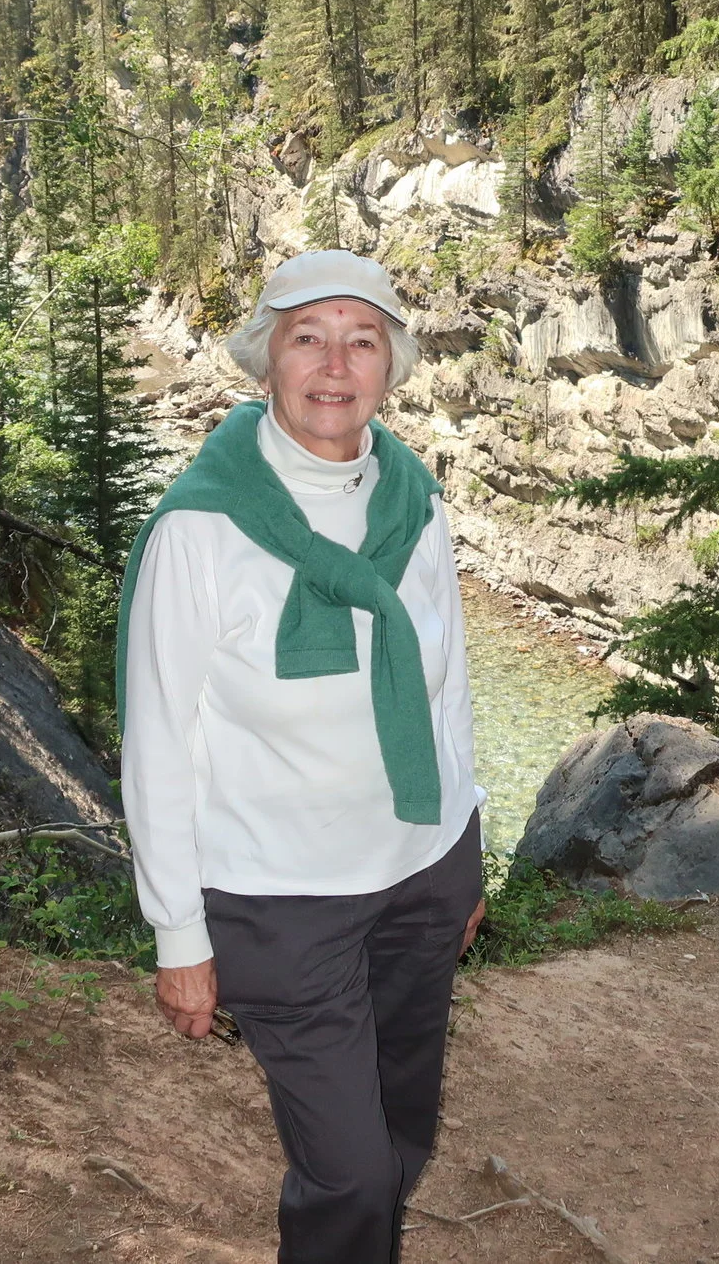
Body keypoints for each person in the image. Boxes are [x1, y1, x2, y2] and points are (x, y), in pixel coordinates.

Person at [117, 249, 488, 1264]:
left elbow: (446, 682)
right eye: (307, 337)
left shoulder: (413, 502)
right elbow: (156, 740)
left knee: (402, 1123)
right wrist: (177, 932)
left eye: (361, 338)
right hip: (276, 897)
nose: (336, 363)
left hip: (419, 869)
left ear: (390, 363)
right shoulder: (200, 527)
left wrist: (469, 847)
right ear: (265, 360)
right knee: (350, 1169)